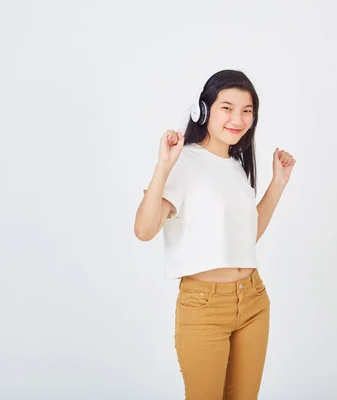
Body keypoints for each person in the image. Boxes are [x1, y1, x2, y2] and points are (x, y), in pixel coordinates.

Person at [134, 69, 295, 400]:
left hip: (252, 300)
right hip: (204, 305)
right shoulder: (184, 162)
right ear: (203, 110)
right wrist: (163, 167)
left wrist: (278, 183)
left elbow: (245, 238)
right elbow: (144, 230)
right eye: (227, 107)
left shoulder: (236, 166)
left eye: (247, 111)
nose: (238, 118)